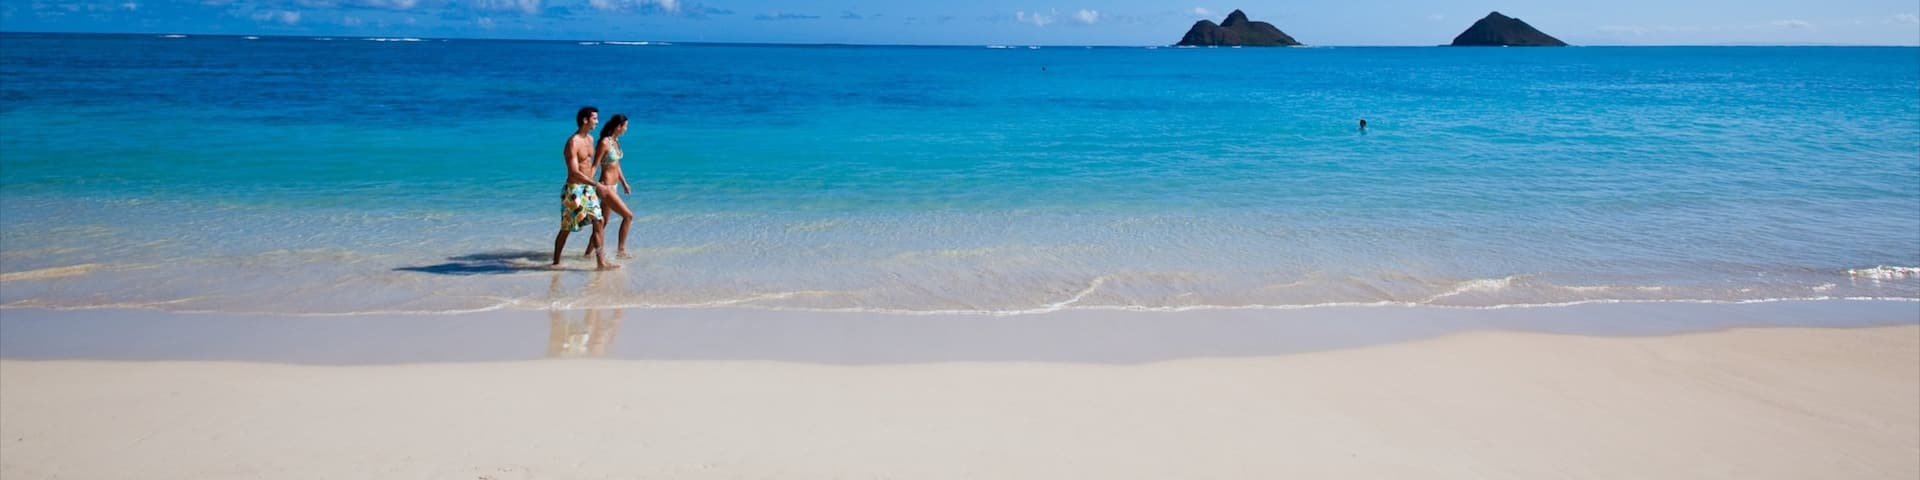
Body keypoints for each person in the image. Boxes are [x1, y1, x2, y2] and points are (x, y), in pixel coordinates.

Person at [552, 106, 620, 270]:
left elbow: (592, 164)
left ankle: (601, 262)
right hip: (574, 189)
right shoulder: (572, 143)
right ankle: (555, 263)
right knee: (566, 228)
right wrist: (597, 184)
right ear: (585, 120)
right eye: (594, 118)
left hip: (588, 188)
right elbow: (574, 172)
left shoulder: (590, 139)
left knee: (599, 221)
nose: (597, 122)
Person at [582, 114, 637, 259]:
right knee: (628, 216)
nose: (626, 129)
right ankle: (621, 251)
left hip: (614, 186)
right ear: (618, 126)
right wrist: (587, 182)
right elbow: (595, 165)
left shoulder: (615, 141)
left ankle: (587, 254)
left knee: (602, 223)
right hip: (605, 187)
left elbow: (616, 165)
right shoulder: (604, 143)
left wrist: (624, 183)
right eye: (625, 126)